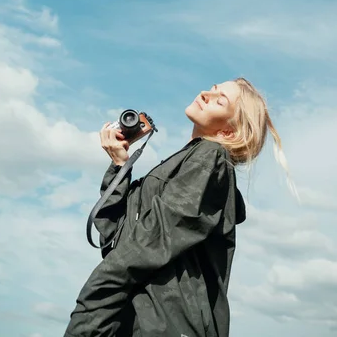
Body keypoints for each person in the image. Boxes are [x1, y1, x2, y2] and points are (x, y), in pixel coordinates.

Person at [64, 77, 291, 337]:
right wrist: (119, 165)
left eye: (220, 100)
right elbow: (114, 237)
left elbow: (150, 244)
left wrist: (91, 304)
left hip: (165, 325)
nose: (206, 93)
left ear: (227, 132)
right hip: (131, 321)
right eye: (213, 88)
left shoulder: (210, 157)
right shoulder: (183, 164)